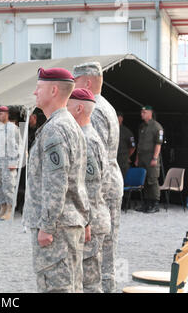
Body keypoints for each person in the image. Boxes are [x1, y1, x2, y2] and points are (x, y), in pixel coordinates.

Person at [22, 68, 90, 293]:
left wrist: (47, 226)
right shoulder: (71, 125)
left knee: (57, 288)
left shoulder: (55, 129)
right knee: (72, 286)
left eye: (39, 88)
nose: (34, 92)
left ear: (53, 90)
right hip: (69, 223)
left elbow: (56, 183)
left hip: (58, 229)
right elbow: (78, 180)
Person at [73, 62, 123, 293]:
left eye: (77, 80)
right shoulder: (106, 106)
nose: (73, 86)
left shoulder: (97, 110)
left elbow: (95, 157)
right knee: (105, 251)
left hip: (103, 188)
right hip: (110, 183)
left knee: (100, 253)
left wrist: (90, 207)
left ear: (88, 82)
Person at [67, 88, 111, 293]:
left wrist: (85, 222)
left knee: (89, 283)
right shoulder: (85, 136)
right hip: (92, 219)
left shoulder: (87, 140)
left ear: (78, 108)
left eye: (67, 105)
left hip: (90, 222)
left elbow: (93, 187)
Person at [0, 106, 21, 221]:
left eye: (1, 114)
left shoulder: (13, 128)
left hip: (8, 163)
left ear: (7, 115)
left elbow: (18, 146)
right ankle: (2, 207)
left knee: (8, 186)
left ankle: (10, 209)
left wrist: (14, 162)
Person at [135, 106, 164, 213]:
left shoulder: (157, 127)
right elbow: (139, 144)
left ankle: (155, 203)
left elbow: (158, 144)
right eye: (141, 112)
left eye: (144, 112)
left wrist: (155, 158)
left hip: (151, 157)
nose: (141, 114)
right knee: (144, 181)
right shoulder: (142, 126)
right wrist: (137, 158)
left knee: (152, 180)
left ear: (150, 113)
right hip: (142, 157)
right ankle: (146, 203)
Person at [117, 112, 136, 179]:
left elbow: (132, 147)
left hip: (123, 160)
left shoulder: (127, 132)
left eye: (118, 117)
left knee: (123, 179)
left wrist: (127, 156)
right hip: (113, 160)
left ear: (121, 118)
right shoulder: (111, 129)